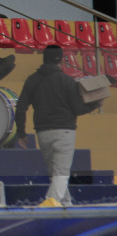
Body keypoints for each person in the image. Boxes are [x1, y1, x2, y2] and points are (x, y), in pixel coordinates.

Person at [16, 45, 103, 205]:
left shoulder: (32, 79)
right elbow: (77, 108)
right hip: (64, 132)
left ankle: (66, 204)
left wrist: (21, 133)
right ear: (62, 60)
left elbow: (21, 107)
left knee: (55, 174)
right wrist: (95, 104)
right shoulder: (67, 81)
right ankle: (49, 204)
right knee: (61, 174)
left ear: (44, 59)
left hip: (42, 133)